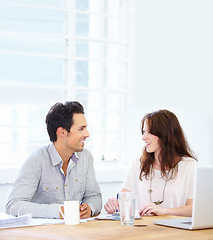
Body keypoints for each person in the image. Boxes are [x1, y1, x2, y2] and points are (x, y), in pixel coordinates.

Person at [6, 101, 102, 219]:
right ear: (61, 132)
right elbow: (13, 206)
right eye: (81, 129)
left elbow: (94, 196)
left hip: (77, 232)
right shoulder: (36, 161)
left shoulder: (86, 158)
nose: (87, 134)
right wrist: (58, 211)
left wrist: (90, 208)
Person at [104, 109, 197, 217]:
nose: (143, 137)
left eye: (150, 132)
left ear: (166, 134)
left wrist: (164, 211)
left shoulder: (189, 166)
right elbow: (123, 200)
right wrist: (113, 205)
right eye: (144, 132)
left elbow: (193, 209)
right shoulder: (136, 164)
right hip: (143, 230)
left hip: (175, 231)